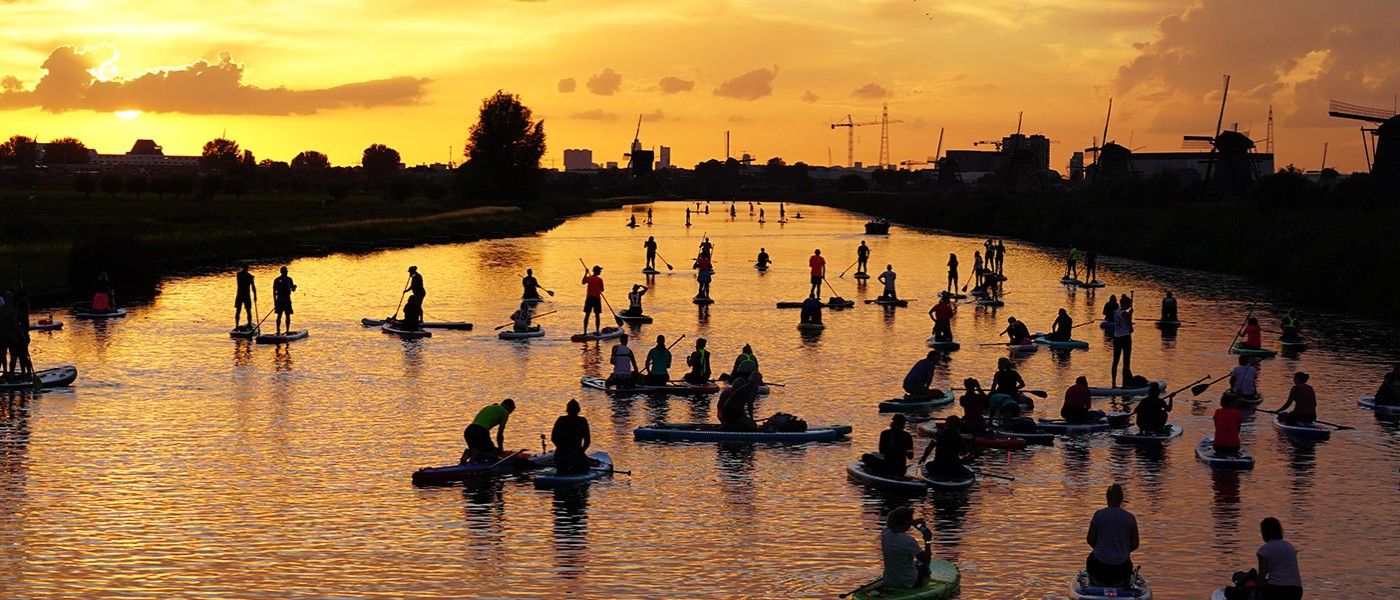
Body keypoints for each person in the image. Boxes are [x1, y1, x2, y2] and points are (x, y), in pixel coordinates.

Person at [1084, 484, 1139, 587]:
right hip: (1121, 569)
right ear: (1122, 499)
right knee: (1127, 564)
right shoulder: (1130, 518)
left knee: (1091, 559)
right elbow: (1135, 544)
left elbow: (1090, 539)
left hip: (1099, 567)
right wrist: (1122, 551)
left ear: (1107, 497)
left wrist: (1100, 550)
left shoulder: (1099, 515)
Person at [880, 506, 933, 590]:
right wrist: (928, 541)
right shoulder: (908, 541)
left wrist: (912, 522)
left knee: (914, 563)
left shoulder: (885, 533)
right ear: (906, 522)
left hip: (889, 581)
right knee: (923, 567)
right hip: (910, 582)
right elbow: (927, 560)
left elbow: (897, 525)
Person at [1256, 518, 1304, 600]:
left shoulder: (1263, 550)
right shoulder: (1289, 546)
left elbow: (1262, 575)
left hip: (1276, 589)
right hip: (1296, 589)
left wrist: (1255, 592)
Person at [460, 398, 515, 464]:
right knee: (493, 455)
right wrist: (501, 449)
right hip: (480, 431)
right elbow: (500, 434)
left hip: (469, 430)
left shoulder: (489, 407)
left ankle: (469, 453)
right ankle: (474, 454)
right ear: (510, 408)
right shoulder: (505, 412)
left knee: (478, 452)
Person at [919, 415, 971, 480]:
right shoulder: (959, 438)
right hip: (954, 467)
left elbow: (930, 447)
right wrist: (966, 458)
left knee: (928, 465)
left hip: (939, 466)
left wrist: (923, 458)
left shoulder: (938, 435)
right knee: (960, 468)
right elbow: (964, 454)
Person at [550, 399, 592, 475]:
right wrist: (581, 452)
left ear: (567, 410)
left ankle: (563, 468)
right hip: (575, 455)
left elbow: (553, 438)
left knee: (563, 466)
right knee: (585, 466)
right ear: (578, 410)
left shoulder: (561, 420)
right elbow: (587, 441)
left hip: (560, 455)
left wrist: (561, 449)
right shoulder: (582, 421)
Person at [1111, 295, 1134, 387]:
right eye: (1128, 303)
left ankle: (1113, 383)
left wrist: (1129, 314)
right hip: (1125, 338)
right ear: (1125, 304)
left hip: (1116, 337)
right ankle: (1124, 384)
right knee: (1126, 361)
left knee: (1115, 361)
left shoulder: (1115, 312)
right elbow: (1130, 328)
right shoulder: (1125, 314)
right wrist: (1130, 315)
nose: (1129, 305)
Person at [272, 266, 296, 335]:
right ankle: (284, 330)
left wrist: (275, 301)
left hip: (281, 300)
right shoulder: (287, 279)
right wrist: (294, 287)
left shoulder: (278, 280)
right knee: (285, 315)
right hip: (284, 301)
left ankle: (281, 330)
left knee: (282, 315)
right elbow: (293, 290)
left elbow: (274, 292)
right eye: (285, 271)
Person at [580, 265, 604, 335]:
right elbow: (602, 290)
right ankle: (597, 331)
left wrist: (585, 273)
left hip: (590, 298)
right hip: (596, 299)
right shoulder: (600, 280)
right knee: (597, 315)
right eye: (599, 270)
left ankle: (585, 332)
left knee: (587, 315)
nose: (600, 271)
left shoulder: (589, 278)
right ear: (596, 271)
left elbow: (583, 282)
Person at [401, 265, 426, 330]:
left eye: (410, 272)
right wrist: (406, 291)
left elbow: (413, 286)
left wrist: (407, 291)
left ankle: (420, 320)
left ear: (413, 271)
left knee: (418, 306)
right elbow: (412, 285)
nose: (409, 273)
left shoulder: (417, 276)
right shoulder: (414, 277)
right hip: (416, 293)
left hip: (420, 293)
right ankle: (415, 319)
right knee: (416, 306)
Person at [234, 264, 257, 328]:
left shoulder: (240, 275)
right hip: (242, 295)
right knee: (240, 310)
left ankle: (248, 324)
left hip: (243, 295)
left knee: (247, 310)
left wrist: (255, 295)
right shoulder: (245, 276)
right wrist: (255, 295)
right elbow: (253, 287)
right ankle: (237, 325)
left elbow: (253, 287)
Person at [0, 292, 15, 378]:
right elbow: (14, 325)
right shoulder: (13, 311)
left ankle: (5, 372)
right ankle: (11, 373)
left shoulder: (1, 310)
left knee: (3, 355)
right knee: (13, 355)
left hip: (2, 336)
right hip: (10, 336)